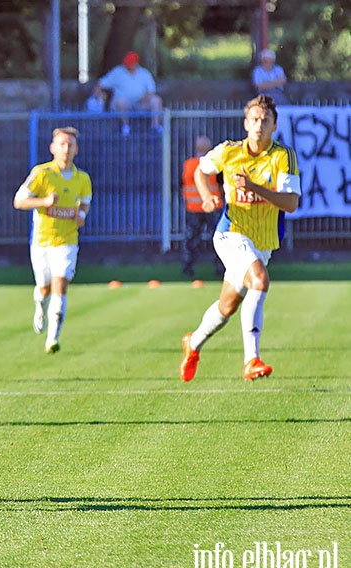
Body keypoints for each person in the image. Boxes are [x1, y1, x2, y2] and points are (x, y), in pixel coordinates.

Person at [180, 95, 300, 382]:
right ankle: (251, 360)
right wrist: (208, 194)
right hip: (230, 233)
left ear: (274, 126)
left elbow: (291, 203)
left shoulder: (283, 156)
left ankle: (193, 343)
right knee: (260, 279)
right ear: (246, 123)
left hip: (263, 241)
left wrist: (256, 187)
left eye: (265, 120)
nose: (259, 124)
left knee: (226, 307)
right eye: (255, 119)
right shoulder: (229, 151)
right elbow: (201, 169)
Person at [13, 126, 92, 354]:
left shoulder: (82, 178)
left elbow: (85, 201)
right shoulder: (42, 173)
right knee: (44, 288)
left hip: (67, 241)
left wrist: (82, 215)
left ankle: (53, 338)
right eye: (62, 144)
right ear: (52, 148)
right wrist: (44, 202)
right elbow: (19, 201)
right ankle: (39, 305)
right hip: (42, 242)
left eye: (70, 144)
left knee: (60, 284)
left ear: (76, 149)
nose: (66, 149)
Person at [181, 135, 223, 278]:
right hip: (213, 206)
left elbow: (181, 184)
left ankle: (188, 267)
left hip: (193, 208)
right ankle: (220, 268)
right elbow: (222, 184)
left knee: (191, 240)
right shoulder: (215, 165)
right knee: (219, 239)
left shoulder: (188, 164)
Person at [95, 51, 162, 137]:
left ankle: (155, 126)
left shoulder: (145, 73)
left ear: (136, 63)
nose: (128, 66)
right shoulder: (117, 72)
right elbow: (100, 84)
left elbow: (151, 91)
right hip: (122, 103)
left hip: (140, 103)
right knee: (121, 102)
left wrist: (145, 97)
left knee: (156, 100)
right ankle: (126, 127)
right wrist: (99, 94)